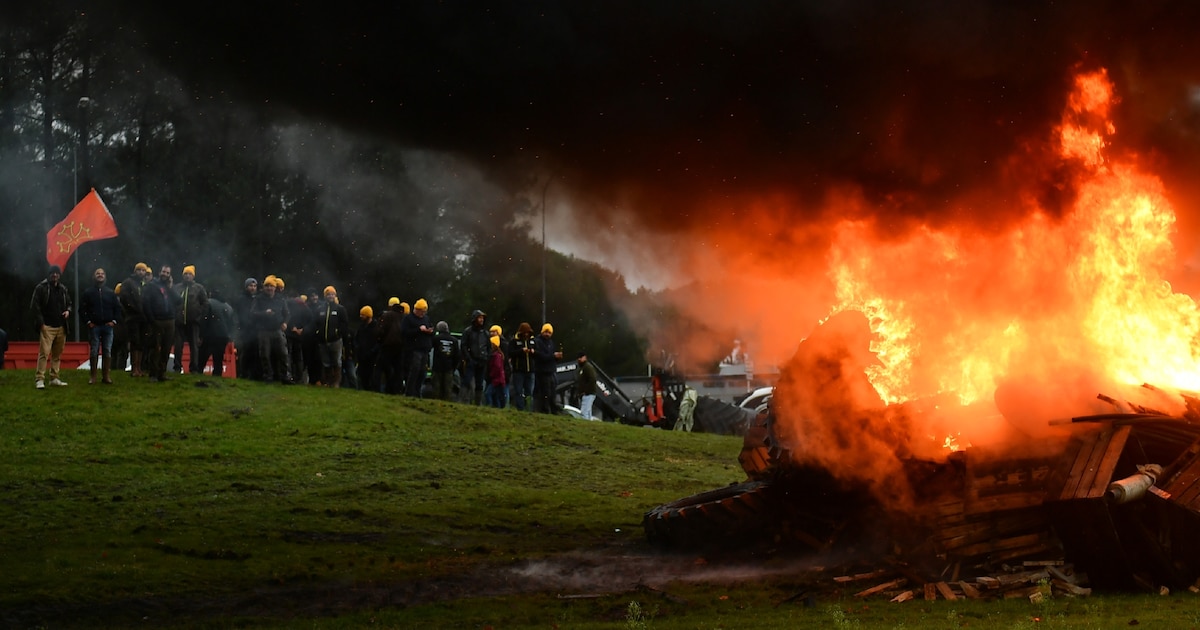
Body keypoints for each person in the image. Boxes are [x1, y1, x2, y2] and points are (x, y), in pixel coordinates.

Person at [29, 265, 72, 389]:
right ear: (49, 274)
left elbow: (69, 303)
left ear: (59, 275)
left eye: (57, 273)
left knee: (57, 354)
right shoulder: (41, 288)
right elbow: (35, 306)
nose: (55, 275)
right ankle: (39, 379)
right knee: (44, 353)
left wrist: (68, 311)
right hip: (47, 326)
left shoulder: (63, 289)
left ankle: (54, 377)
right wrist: (41, 323)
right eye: (53, 273)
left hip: (61, 326)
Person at [79, 267, 122, 384]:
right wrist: (88, 322)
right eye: (98, 273)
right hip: (95, 327)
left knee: (107, 350)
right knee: (94, 351)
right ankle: (93, 376)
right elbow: (82, 310)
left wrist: (114, 321)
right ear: (94, 276)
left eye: (102, 273)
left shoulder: (110, 293)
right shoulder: (88, 293)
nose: (100, 275)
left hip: (108, 327)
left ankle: (106, 376)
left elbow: (118, 308)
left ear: (105, 277)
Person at [141, 265, 179, 382]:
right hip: (157, 320)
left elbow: (179, 301)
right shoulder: (151, 286)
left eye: (168, 273)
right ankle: (153, 374)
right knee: (155, 348)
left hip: (170, 320)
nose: (165, 274)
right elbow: (146, 303)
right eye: (164, 272)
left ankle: (162, 373)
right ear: (159, 272)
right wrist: (151, 320)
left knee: (166, 348)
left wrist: (171, 288)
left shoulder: (168, 287)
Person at [310, 285, 351, 388]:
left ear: (335, 295)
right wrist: (318, 333)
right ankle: (328, 382)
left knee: (336, 361)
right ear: (325, 296)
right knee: (326, 362)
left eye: (332, 294)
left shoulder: (340, 309)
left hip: (335, 340)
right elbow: (316, 323)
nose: (330, 296)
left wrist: (339, 333)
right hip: (323, 340)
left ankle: (336, 382)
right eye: (328, 294)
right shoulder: (320, 309)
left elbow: (345, 324)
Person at [252, 276, 292, 384]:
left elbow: (287, 314)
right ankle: (268, 376)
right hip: (263, 330)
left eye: (271, 286)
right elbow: (253, 313)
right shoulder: (258, 299)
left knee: (283, 354)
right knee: (265, 354)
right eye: (267, 286)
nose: (269, 288)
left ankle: (286, 376)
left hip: (277, 329)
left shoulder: (280, 299)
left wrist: (285, 323)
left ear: (275, 288)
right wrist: (264, 313)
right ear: (264, 287)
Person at [116, 262, 151, 377]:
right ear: (135, 271)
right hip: (132, 316)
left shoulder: (144, 284)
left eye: (143, 271)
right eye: (139, 270)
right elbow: (125, 298)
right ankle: (134, 368)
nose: (141, 272)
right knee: (135, 342)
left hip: (143, 317)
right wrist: (135, 309)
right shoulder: (128, 283)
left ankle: (139, 368)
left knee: (141, 342)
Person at [173, 264, 209, 374]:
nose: (187, 276)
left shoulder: (199, 288)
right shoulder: (177, 287)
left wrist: (198, 314)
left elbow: (205, 303)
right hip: (179, 322)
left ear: (193, 276)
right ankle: (177, 367)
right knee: (178, 346)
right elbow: (172, 302)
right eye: (185, 274)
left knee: (194, 346)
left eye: (189, 274)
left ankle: (194, 368)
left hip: (193, 321)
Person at [197, 292, 236, 377]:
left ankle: (198, 373)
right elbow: (232, 324)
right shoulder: (228, 307)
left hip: (210, 335)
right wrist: (229, 336)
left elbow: (204, 319)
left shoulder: (209, 303)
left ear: (211, 294)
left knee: (202, 358)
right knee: (218, 359)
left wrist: (200, 334)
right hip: (223, 336)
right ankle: (217, 376)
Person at [401, 298, 434, 397]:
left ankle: (417, 392)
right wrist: (418, 330)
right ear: (417, 309)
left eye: (425, 312)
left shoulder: (426, 319)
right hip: (414, 349)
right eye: (422, 312)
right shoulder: (408, 319)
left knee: (422, 373)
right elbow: (404, 332)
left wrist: (430, 331)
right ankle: (409, 392)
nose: (423, 314)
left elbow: (431, 328)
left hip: (425, 349)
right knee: (414, 371)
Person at [459, 309, 490, 405]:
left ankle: (478, 403)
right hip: (471, 361)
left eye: (482, 318)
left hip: (482, 361)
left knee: (480, 384)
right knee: (467, 382)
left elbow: (488, 347)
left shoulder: (485, 333)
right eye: (479, 318)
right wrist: (468, 358)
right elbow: (463, 346)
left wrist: (486, 358)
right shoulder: (468, 332)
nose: (481, 320)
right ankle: (463, 401)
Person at [377, 297, 407, 395]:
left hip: (388, 345)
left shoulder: (387, 315)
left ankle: (386, 389)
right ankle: (397, 390)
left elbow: (381, 331)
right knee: (398, 370)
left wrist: (380, 340)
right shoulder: (404, 317)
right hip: (401, 347)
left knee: (384, 368)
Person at [285, 290, 315, 384]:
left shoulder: (288, 303)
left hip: (290, 333)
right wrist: (303, 329)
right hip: (300, 334)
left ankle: (289, 376)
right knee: (298, 356)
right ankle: (299, 377)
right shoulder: (304, 306)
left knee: (289, 355)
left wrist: (292, 327)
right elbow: (310, 320)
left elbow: (286, 316)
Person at [533, 322, 563, 414]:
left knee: (552, 392)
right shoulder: (537, 341)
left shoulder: (551, 342)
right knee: (545, 393)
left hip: (551, 371)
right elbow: (541, 356)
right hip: (542, 372)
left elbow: (550, 357)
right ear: (542, 332)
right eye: (546, 332)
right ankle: (545, 410)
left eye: (549, 332)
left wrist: (557, 358)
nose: (547, 334)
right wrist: (553, 356)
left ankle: (553, 410)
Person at [233, 278, 259, 380]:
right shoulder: (241, 299)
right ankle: (243, 373)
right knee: (245, 353)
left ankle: (253, 374)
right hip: (245, 330)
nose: (252, 288)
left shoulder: (257, 299)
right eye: (250, 286)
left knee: (255, 353)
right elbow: (241, 315)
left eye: (254, 286)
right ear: (246, 287)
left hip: (256, 330)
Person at [508, 322, 536, 411]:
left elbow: (538, 353)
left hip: (530, 370)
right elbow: (510, 353)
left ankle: (529, 409)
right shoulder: (514, 341)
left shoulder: (532, 341)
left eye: (528, 332)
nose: (526, 334)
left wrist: (533, 352)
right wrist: (521, 351)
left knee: (529, 392)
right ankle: (520, 408)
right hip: (518, 371)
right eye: (525, 332)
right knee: (518, 391)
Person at [430, 320, 460, 401]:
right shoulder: (454, 340)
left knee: (436, 388)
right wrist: (453, 367)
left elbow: (429, 348)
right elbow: (457, 356)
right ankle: (446, 404)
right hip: (449, 368)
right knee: (447, 389)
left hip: (437, 367)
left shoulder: (436, 338)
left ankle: (435, 403)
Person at [354, 305, 381, 392]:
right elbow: (356, 338)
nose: (361, 317)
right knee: (362, 374)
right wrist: (357, 347)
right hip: (361, 355)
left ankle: (371, 389)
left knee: (371, 374)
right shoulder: (361, 327)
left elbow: (378, 342)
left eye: (363, 315)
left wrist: (372, 351)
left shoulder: (376, 327)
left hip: (372, 356)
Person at [486, 334, 507, 408]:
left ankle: (489, 406)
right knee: (496, 395)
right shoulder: (497, 355)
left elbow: (497, 367)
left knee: (488, 393)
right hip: (498, 379)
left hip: (496, 379)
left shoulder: (496, 356)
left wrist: (491, 375)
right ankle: (496, 407)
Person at [575, 351, 598, 420]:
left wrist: (586, 390)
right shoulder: (581, 368)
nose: (579, 359)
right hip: (585, 394)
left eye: (581, 358)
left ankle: (584, 425)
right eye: (578, 358)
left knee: (584, 412)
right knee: (588, 412)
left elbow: (593, 379)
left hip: (588, 393)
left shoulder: (588, 367)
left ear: (585, 358)